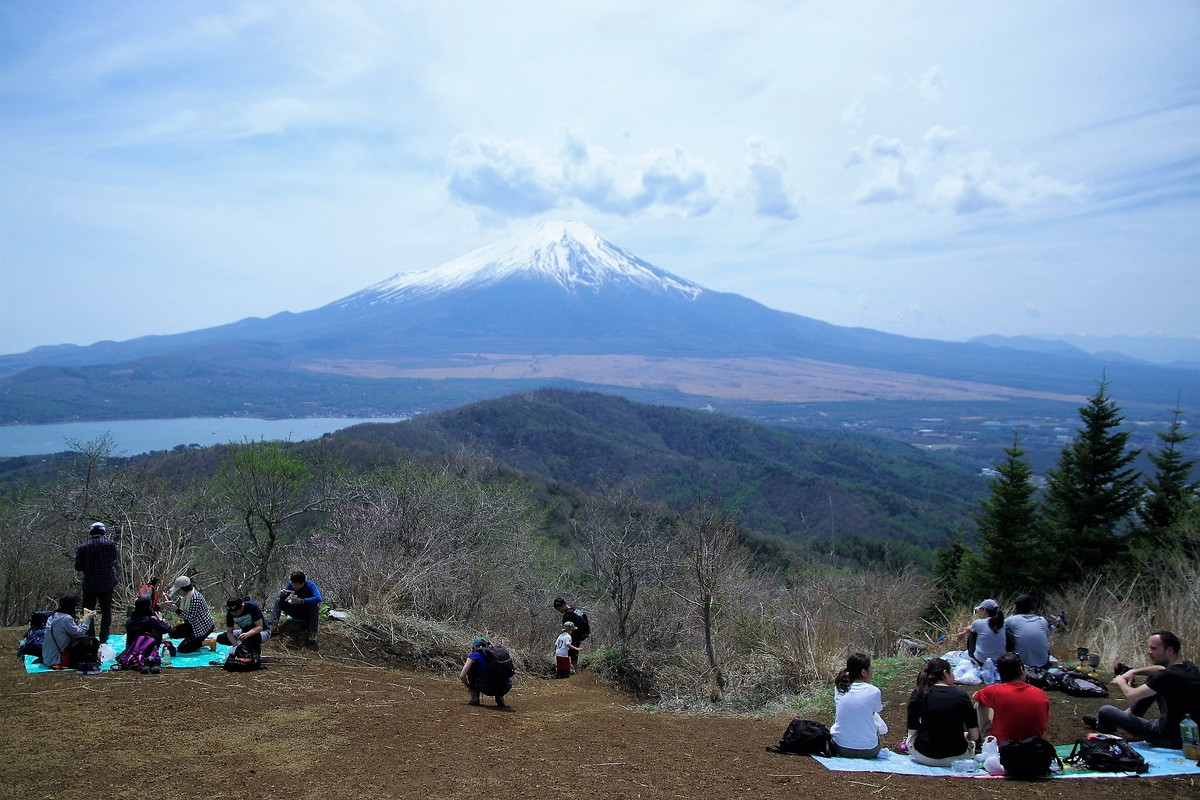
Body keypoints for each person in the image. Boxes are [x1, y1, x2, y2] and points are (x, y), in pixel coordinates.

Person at [1084, 630, 1200, 749]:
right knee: (1154, 676)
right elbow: (1159, 669)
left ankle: (1104, 724)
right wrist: (1134, 671)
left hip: (1166, 737)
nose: (1149, 652)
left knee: (1105, 710)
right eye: (1148, 648)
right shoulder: (1188, 667)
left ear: (1169, 650)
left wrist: (1121, 681)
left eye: (1154, 648)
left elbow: (1132, 695)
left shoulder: (1168, 676)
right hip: (1187, 732)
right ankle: (1130, 714)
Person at [905, 657, 980, 767]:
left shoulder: (919, 693)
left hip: (924, 756)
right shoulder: (961, 696)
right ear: (945, 673)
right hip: (958, 757)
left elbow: (912, 732)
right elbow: (975, 736)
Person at [973, 653, 1050, 751]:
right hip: (1035, 746)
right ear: (1021, 670)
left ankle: (979, 737)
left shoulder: (994, 691)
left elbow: (975, 696)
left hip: (1003, 748)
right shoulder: (1040, 693)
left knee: (979, 703)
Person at [830, 652, 887, 759]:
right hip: (869, 751)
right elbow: (877, 710)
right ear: (864, 672)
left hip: (840, 748)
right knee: (873, 716)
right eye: (871, 669)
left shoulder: (839, 688)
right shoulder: (874, 691)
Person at [74, 521, 118, 644]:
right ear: (103, 532)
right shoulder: (110, 544)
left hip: (90, 584)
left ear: (90, 532)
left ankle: (89, 637)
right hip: (107, 583)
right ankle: (104, 637)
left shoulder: (83, 547)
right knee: (106, 611)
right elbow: (114, 559)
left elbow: (78, 567)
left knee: (87, 612)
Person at [42, 595, 101, 673]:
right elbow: (79, 634)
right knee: (86, 640)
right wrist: (88, 619)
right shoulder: (66, 619)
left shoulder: (53, 616)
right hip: (57, 659)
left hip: (47, 657)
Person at [161, 576, 216, 654]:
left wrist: (176, 610)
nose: (177, 592)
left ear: (183, 589)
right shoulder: (184, 596)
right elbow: (177, 605)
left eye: (178, 590)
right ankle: (192, 640)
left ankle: (209, 642)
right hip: (191, 625)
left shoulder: (195, 598)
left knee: (183, 648)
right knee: (172, 632)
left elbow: (190, 617)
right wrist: (168, 602)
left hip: (202, 627)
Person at [270, 570, 322, 647]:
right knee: (278, 601)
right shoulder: (291, 586)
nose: (294, 586)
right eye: (293, 583)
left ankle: (312, 634)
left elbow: (318, 598)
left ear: (302, 582)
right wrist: (283, 595)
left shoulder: (310, 585)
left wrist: (303, 601)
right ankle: (273, 626)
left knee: (314, 606)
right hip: (294, 610)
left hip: (306, 613)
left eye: (296, 584)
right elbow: (281, 598)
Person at [957, 599, 1011, 667]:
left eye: (979, 610)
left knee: (972, 634)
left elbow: (970, 628)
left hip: (982, 661)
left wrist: (963, 634)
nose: (978, 612)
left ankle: (972, 658)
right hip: (1000, 660)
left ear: (984, 610)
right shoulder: (1002, 624)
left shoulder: (978, 623)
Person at [1004, 595, 1051, 669]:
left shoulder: (1011, 620)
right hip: (1043, 664)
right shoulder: (1042, 620)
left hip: (1023, 666)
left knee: (1004, 632)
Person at [459, 636, 509, 707]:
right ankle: (499, 696)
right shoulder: (496, 653)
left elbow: (462, 676)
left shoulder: (475, 655)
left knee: (472, 670)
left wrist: (470, 687)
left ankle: (475, 696)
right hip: (505, 687)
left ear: (475, 647)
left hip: (487, 688)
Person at [553, 597, 590, 669]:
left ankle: (571, 669)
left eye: (558, 608)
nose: (558, 610)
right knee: (574, 653)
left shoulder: (568, 615)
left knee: (570, 653)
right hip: (582, 634)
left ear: (563, 605)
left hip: (574, 636)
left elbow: (567, 629)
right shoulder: (576, 610)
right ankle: (574, 668)